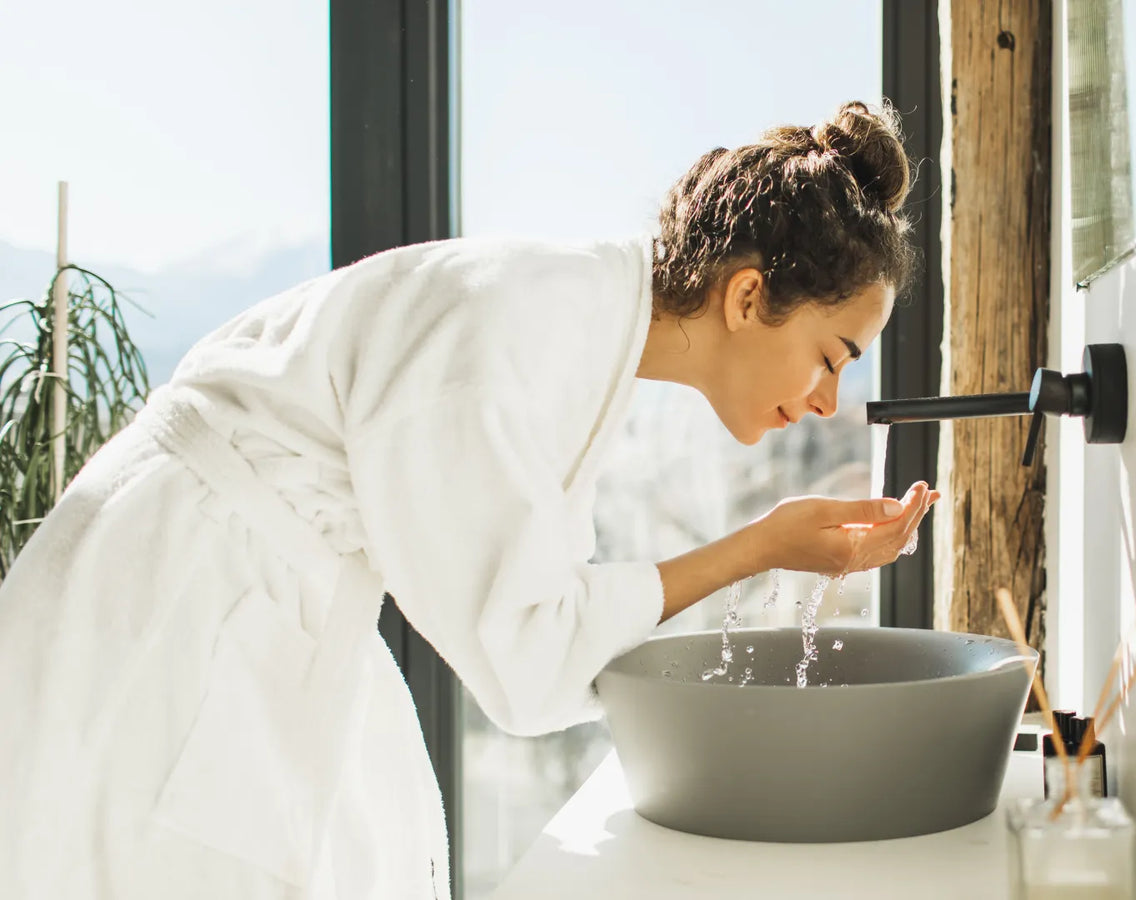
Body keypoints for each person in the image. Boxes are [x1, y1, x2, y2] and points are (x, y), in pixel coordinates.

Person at [0, 100, 939, 898]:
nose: (829, 399)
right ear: (745, 299)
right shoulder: (518, 331)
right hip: (178, 593)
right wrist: (759, 548)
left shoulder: (579, 331)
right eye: (831, 357)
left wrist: (762, 545)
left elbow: (543, 619)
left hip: (252, 581)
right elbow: (529, 659)